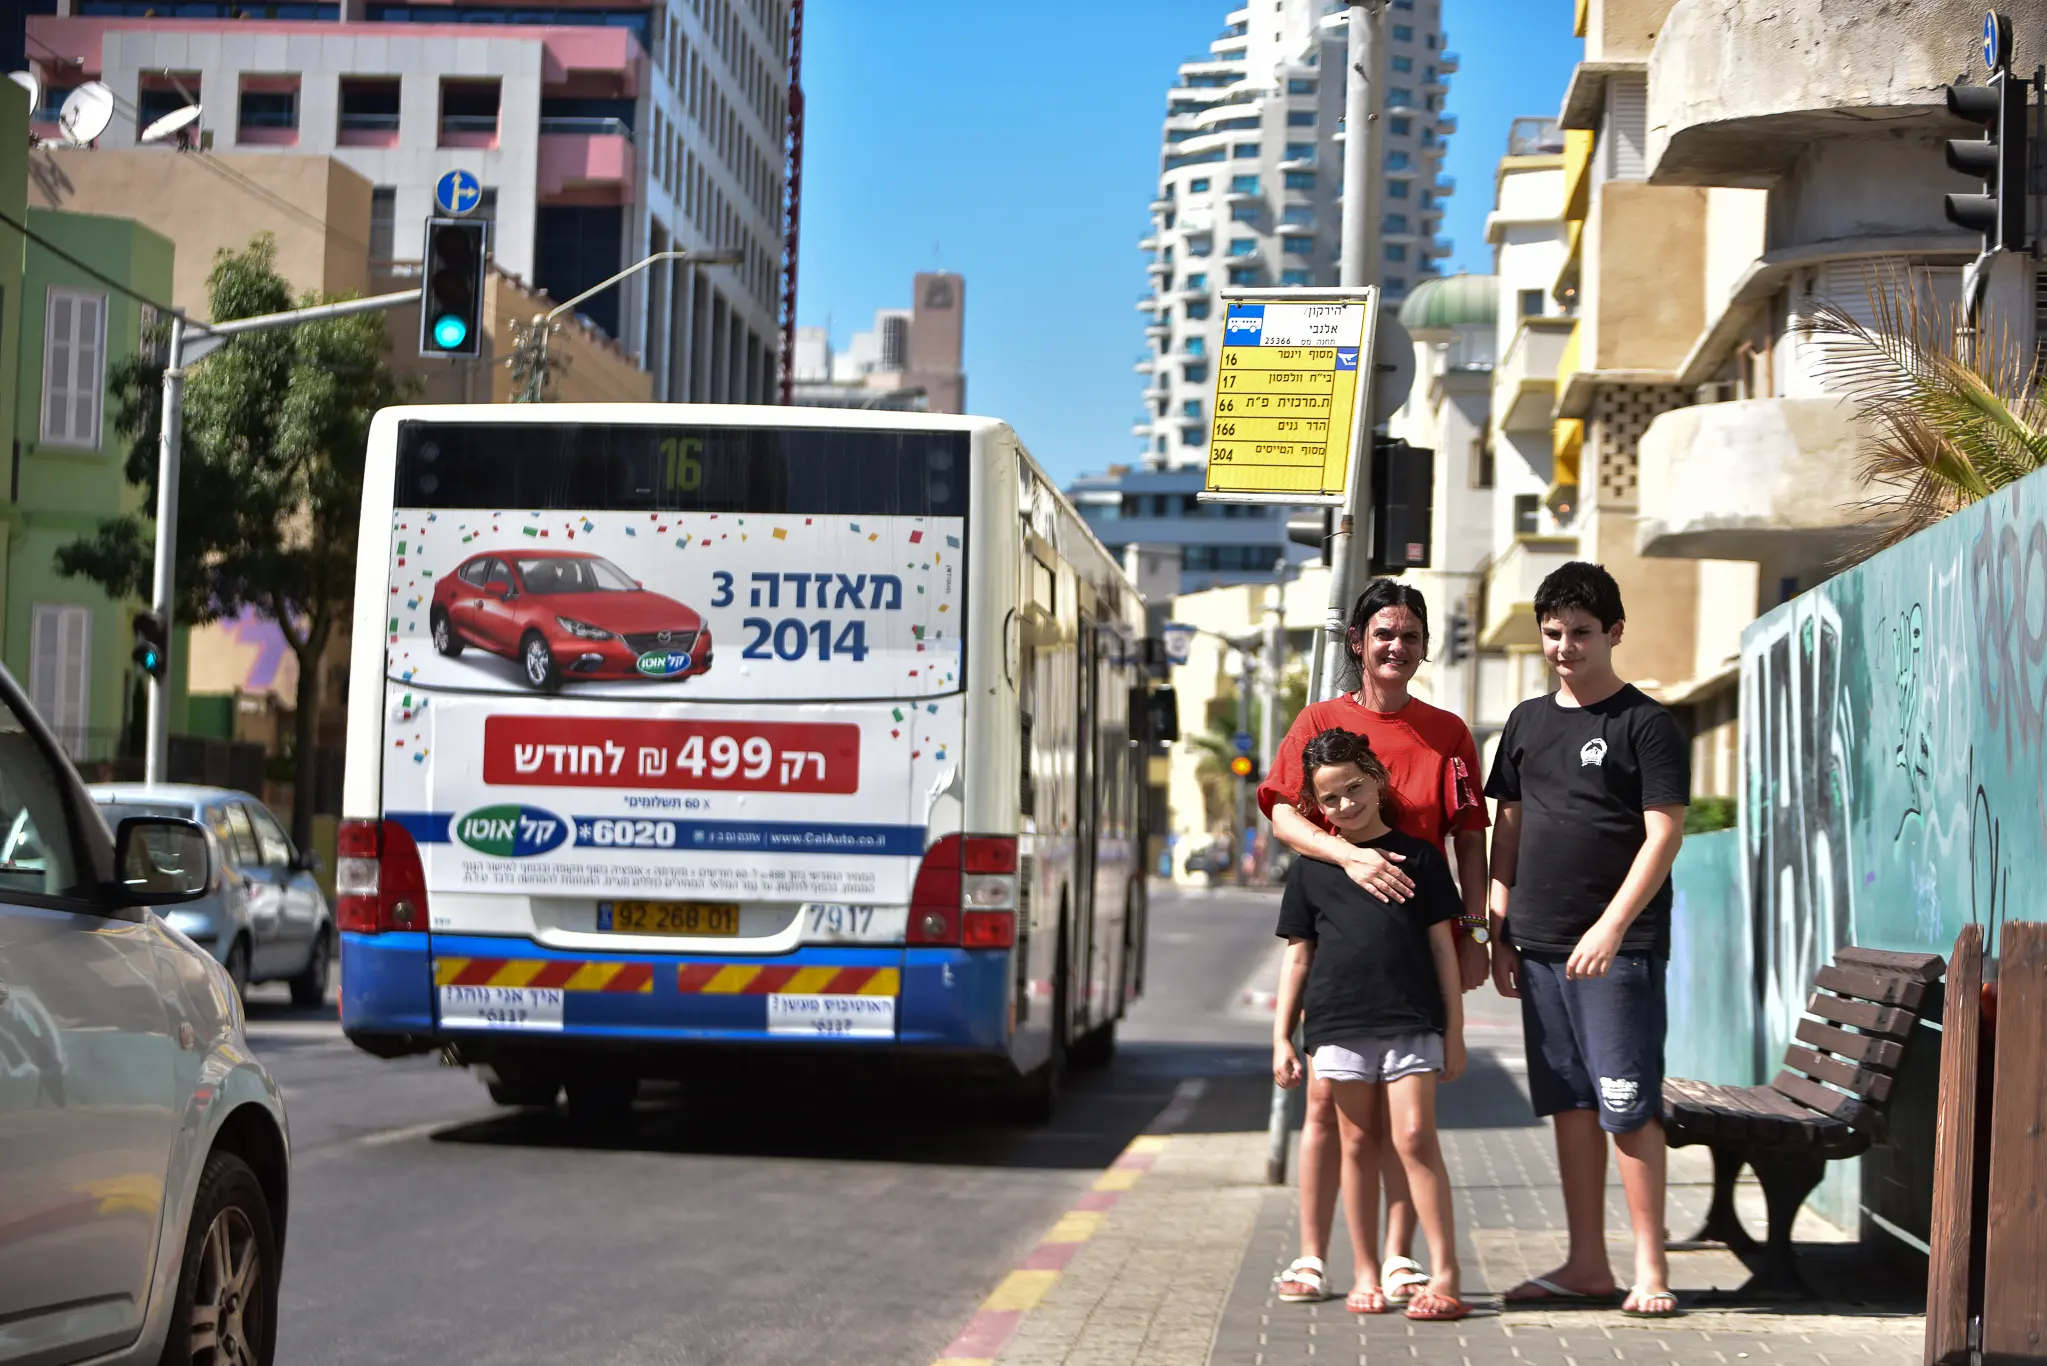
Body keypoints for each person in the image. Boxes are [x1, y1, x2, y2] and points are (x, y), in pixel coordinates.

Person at [1257, 579, 1491, 1307]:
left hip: (1413, 945)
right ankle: (1310, 1255)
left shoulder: (1448, 732)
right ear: (1357, 643)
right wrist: (1348, 856)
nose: (1396, 647)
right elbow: (1281, 816)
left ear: (1424, 646)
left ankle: (1397, 1258)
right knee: (1326, 1110)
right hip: (1338, 937)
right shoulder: (1319, 720)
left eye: (1410, 636)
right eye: (1383, 634)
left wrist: (1476, 929)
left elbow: (1467, 839)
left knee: (1406, 1126)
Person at [1485, 562, 1689, 1319]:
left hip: (1617, 950)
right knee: (1571, 1103)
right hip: (1535, 948)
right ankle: (1584, 1263)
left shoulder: (1645, 724)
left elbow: (1662, 836)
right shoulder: (1526, 724)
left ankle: (1649, 1268)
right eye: (1552, 634)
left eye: (1579, 633)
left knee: (1625, 1104)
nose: (1564, 646)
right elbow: (1506, 826)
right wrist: (1495, 928)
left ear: (1613, 633)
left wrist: (1611, 925)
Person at [1272, 729, 1469, 1321]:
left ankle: (1448, 1274)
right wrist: (1283, 1034)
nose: (1344, 805)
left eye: (1354, 788)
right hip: (1336, 1026)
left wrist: (1454, 1034)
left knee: (1414, 1139)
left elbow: (1443, 951)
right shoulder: (1311, 869)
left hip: (1412, 1021)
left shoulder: (1423, 858)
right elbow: (1298, 955)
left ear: (1378, 779)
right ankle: (1363, 1271)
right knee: (1356, 1144)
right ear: (1316, 807)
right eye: (1329, 800)